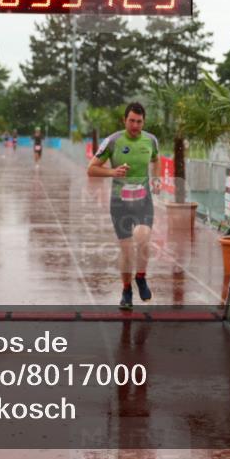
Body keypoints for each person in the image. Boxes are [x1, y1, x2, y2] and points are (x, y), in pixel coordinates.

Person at [87, 103, 161, 310]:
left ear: (143, 121)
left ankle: (141, 277)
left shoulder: (151, 140)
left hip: (143, 200)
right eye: (131, 121)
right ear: (124, 120)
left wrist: (155, 179)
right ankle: (126, 289)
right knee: (127, 250)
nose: (135, 125)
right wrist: (113, 172)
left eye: (139, 121)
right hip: (119, 202)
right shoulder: (113, 141)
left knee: (144, 239)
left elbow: (156, 160)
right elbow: (91, 169)